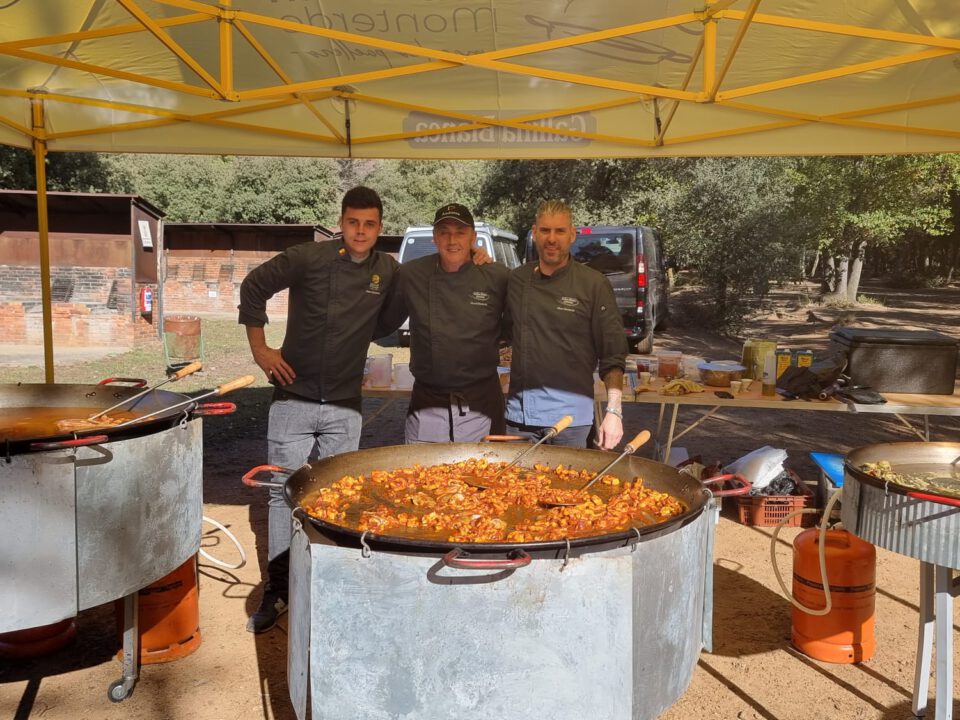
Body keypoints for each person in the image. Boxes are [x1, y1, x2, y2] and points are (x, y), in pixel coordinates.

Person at [237, 186, 398, 633]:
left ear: (379, 228)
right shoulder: (308, 257)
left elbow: (390, 319)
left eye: (369, 224)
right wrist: (261, 351)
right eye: (353, 222)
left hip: (345, 406)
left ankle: (330, 586)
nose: (360, 231)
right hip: (293, 398)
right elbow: (253, 287)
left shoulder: (388, 270)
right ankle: (279, 590)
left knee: (337, 497)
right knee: (280, 493)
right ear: (340, 223)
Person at [379, 203, 510, 442]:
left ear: (473, 237)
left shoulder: (496, 276)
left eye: (460, 232)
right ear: (434, 237)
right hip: (427, 404)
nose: (452, 240)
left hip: (481, 404)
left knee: (484, 467)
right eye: (444, 232)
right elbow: (384, 322)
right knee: (421, 467)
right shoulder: (412, 274)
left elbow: (512, 328)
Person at [504, 199, 627, 449]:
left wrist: (614, 411)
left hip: (571, 421)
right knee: (512, 477)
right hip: (520, 418)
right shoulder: (517, 279)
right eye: (545, 230)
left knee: (568, 477)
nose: (552, 239)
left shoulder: (593, 284)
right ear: (534, 233)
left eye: (559, 231)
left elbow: (613, 354)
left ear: (572, 234)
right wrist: (475, 255)